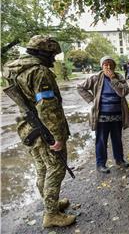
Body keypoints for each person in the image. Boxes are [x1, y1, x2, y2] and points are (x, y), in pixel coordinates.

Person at [3, 35, 76, 227]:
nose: (53, 58)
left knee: (42, 167)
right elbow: (48, 107)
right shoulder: (39, 71)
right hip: (44, 129)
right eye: (52, 54)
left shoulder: (14, 69)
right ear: (44, 52)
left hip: (28, 128)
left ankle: (49, 203)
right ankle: (51, 215)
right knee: (56, 168)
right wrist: (58, 137)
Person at [77, 56, 129, 173]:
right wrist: (93, 100)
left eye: (110, 65)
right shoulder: (95, 78)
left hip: (117, 115)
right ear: (102, 66)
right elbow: (80, 87)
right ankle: (101, 164)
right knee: (101, 140)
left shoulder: (119, 77)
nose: (108, 67)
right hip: (102, 116)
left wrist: (113, 79)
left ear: (114, 66)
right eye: (105, 65)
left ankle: (119, 160)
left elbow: (124, 92)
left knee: (117, 139)